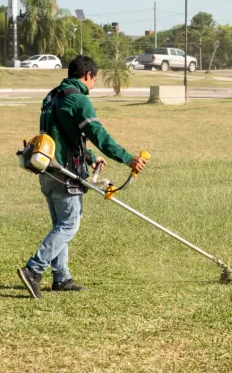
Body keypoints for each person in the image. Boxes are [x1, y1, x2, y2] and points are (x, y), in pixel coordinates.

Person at [17, 55, 147, 299]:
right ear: (88, 75)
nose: (94, 86)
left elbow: (63, 135)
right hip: (65, 173)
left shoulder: (52, 96)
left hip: (46, 169)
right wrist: (128, 158)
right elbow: (99, 135)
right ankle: (33, 270)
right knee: (69, 224)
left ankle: (61, 278)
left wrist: (90, 157)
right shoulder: (78, 99)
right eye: (95, 80)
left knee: (60, 225)